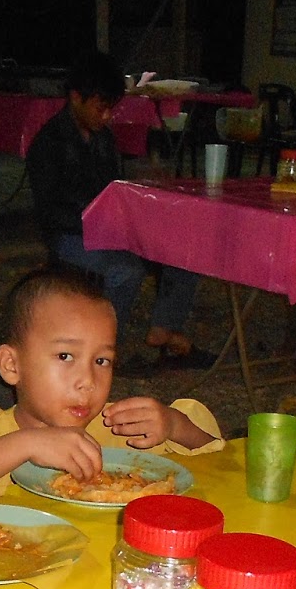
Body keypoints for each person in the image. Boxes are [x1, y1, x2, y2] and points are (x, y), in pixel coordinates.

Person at [0, 266, 223, 494]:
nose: (87, 381)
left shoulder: (118, 429)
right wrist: (26, 444)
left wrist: (174, 424)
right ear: (12, 365)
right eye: (65, 356)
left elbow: (218, 462)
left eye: (101, 361)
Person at [27, 50, 206, 369]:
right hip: (70, 235)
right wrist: (103, 225)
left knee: (184, 251)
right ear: (76, 98)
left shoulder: (103, 139)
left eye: (111, 108)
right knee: (125, 270)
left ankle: (164, 328)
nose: (107, 116)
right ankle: (105, 348)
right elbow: (51, 212)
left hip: (108, 228)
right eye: (101, 107)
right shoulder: (49, 143)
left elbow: (115, 189)